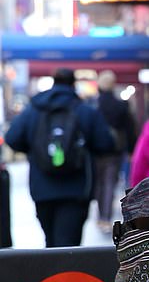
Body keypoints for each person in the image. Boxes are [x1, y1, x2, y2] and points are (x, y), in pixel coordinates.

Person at [5, 67, 114, 247]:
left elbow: (12, 138)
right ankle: (65, 274)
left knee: (51, 243)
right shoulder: (85, 111)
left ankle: (51, 272)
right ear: (73, 84)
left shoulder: (34, 110)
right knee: (69, 247)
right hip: (76, 190)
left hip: (42, 189)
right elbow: (106, 143)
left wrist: (35, 150)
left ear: (53, 82)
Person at [93, 69, 136, 233]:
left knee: (98, 183)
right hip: (114, 150)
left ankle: (99, 215)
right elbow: (130, 128)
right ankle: (105, 217)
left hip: (95, 150)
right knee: (109, 183)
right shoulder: (120, 106)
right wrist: (131, 149)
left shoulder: (94, 105)